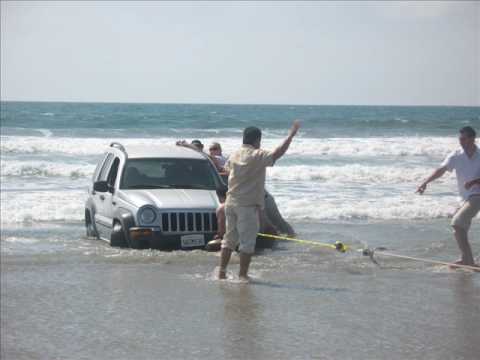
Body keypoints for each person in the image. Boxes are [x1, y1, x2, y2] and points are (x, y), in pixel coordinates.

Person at [218, 120, 301, 281]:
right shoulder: (257, 155)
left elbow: (226, 170)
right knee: (247, 243)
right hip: (246, 206)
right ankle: (242, 275)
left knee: (228, 240)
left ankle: (221, 272)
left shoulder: (234, 154)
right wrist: (291, 135)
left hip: (230, 203)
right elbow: (277, 153)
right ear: (257, 140)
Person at [416, 126, 480, 268]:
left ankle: (469, 262)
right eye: (460, 139)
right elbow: (441, 170)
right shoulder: (456, 155)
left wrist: (475, 181)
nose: (461, 142)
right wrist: (425, 182)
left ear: (472, 139)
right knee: (460, 228)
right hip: (465, 198)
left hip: (477, 196)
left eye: (463, 139)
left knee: (457, 222)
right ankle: (465, 259)